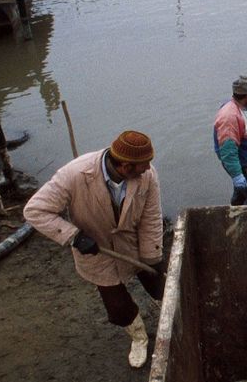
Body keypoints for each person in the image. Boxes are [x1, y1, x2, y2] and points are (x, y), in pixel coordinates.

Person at [23, 130, 164, 369]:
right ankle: (139, 337)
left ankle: (170, 315)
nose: (148, 168)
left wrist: (153, 256)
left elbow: (151, 217)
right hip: (96, 250)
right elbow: (35, 211)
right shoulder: (74, 174)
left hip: (133, 243)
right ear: (125, 166)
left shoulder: (147, 176)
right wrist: (73, 236)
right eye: (143, 165)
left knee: (160, 284)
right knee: (118, 308)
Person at [214, 75, 247, 206]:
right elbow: (228, 151)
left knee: (242, 193)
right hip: (241, 164)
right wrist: (237, 174)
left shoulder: (246, 108)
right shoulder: (230, 117)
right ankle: (245, 223)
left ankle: (234, 209)